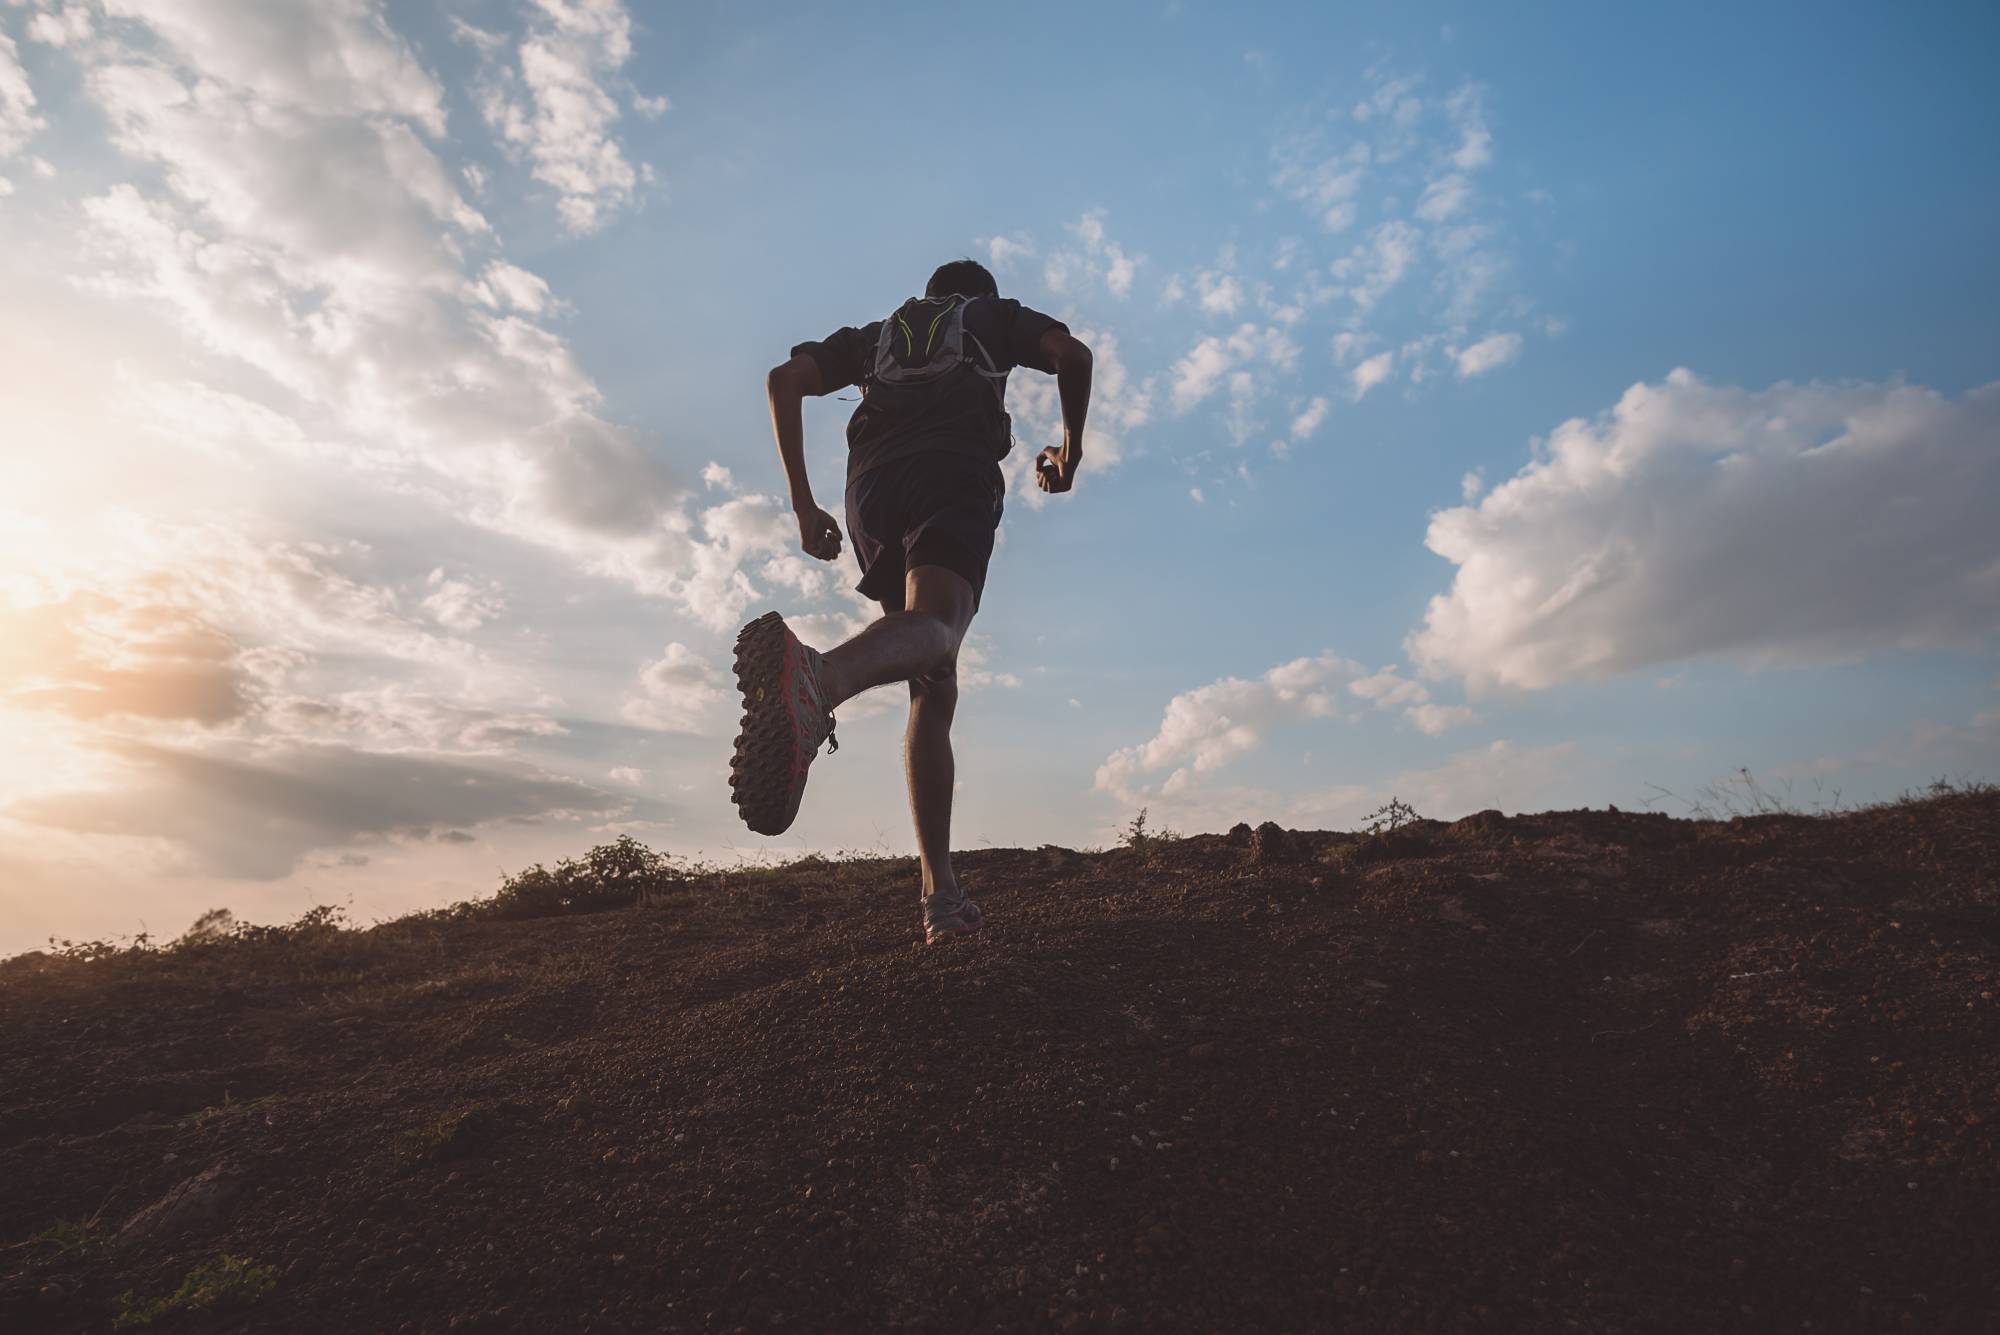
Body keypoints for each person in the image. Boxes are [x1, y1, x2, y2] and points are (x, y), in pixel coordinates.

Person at [730, 258, 1093, 944]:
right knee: (939, 630)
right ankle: (819, 681)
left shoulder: (877, 335)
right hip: (950, 471)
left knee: (931, 678)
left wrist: (804, 507)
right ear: (976, 295)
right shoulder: (994, 315)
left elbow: (784, 380)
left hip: (869, 488)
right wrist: (1068, 454)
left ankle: (941, 896)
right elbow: (1073, 356)